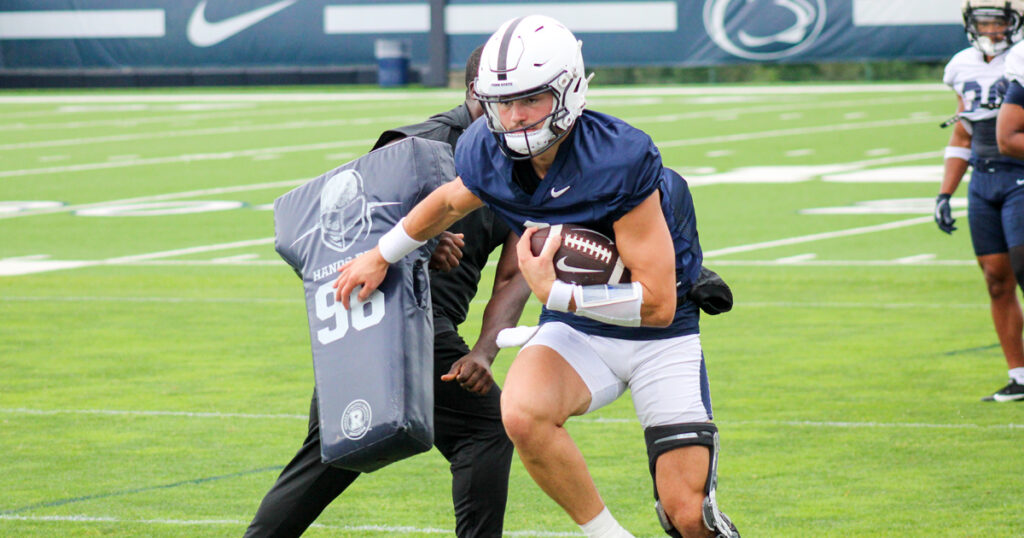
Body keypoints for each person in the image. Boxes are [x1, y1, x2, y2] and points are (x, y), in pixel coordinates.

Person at [333, 15, 739, 538]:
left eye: (531, 100)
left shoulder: (620, 157)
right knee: (521, 413)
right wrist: (382, 254)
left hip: (660, 333)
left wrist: (559, 294)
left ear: (569, 92)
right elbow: (449, 202)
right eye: (503, 103)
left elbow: (658, 303)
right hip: (578, 328)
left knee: (687, 516)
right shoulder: (486, 147)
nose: (515, 117)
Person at [245, 46, 531, 537]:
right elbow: (344, 210)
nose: (519, 112)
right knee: (484, 431)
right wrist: (422, 240)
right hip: (395, 314)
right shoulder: (427, 140)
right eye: (507, 98)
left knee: (333, 451)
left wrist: (485, 351)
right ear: (475, 95)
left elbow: (515, 272)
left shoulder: (523, 156)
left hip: (418, 320)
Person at [937, 0, 1024, 402]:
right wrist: (945, 192)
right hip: (982, 178)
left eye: (998, 21)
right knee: (995, 280)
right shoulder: (961, 65)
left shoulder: (1019, 61)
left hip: (1018, 173)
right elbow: (962, 133)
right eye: (983, 21)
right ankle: (1019, 376)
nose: (990, 29)